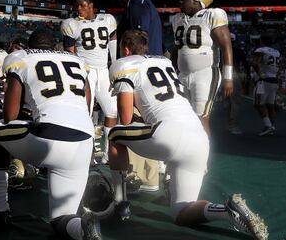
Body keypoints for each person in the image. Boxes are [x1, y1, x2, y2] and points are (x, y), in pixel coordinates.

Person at [107, 30, 268, 240]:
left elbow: (126, 119)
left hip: (168, 134)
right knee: (181, 212)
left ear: (126, 50)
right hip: (199, 139)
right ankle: (227, 211)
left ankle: (120, 203)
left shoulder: (125, 64)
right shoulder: (164, 62)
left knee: (114, 135)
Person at [0, 29, 101, 240]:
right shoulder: (76, 60)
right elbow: (87, 104)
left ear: (29, 47)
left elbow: (10, 116)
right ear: (55, 46)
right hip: (84, 140)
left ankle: (0, 208)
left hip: (49, 137)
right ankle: (82, 228)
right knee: (61, 220)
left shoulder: (21, 58)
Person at [114, 0, 162, 192]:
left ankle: (143, 176)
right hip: (151, 68)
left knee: (134, 120)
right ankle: (151, 173)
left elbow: (139, 38)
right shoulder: (145, 3)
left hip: (139, 70)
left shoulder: (137, 4)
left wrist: (129, 64)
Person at [170, 0, 234, 135]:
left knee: (201, 117)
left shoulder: (212, 15)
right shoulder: (178, 19)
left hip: (205, 73)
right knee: (182, 117)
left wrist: (228, 78)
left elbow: (226, 46)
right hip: (182, 75)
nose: (181, 1)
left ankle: (201, 157)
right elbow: (177, 49)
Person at [61, 0, 117, 162]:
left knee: (112, 111)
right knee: (85, 114)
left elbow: (113, 41)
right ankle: (88, 153)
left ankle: (109, 153)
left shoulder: (107, 19)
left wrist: (114, 65)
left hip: (104, 71)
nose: (78, 9)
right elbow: (69, 52)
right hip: (86, 72)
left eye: (82, 5)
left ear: (92, 6)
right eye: (76, 5)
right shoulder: (71, 24)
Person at [252, 40, 280, 136]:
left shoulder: (261, 50)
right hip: (274, 79)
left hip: (264, 80)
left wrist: (260, 74)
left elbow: (255, 63)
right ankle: (271, 126)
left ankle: (268, 126)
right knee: (270, 105)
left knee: (258, 104)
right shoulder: (277, 52)